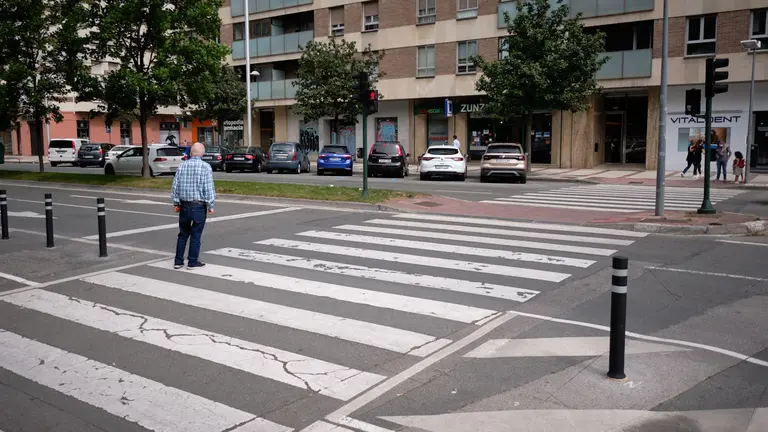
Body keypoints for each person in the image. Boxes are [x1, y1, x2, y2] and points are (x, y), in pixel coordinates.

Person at [171, 142, 215, 269]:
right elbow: (208, 188)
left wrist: (176, 202)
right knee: (196, 235)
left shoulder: (182, 166)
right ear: (202, 153)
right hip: (198, 206)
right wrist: (210, 204)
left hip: (184, 205)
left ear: (190, 153)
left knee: (183, 234)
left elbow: (175, 186)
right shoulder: (205, 167)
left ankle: (178, 261)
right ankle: (192, 261)